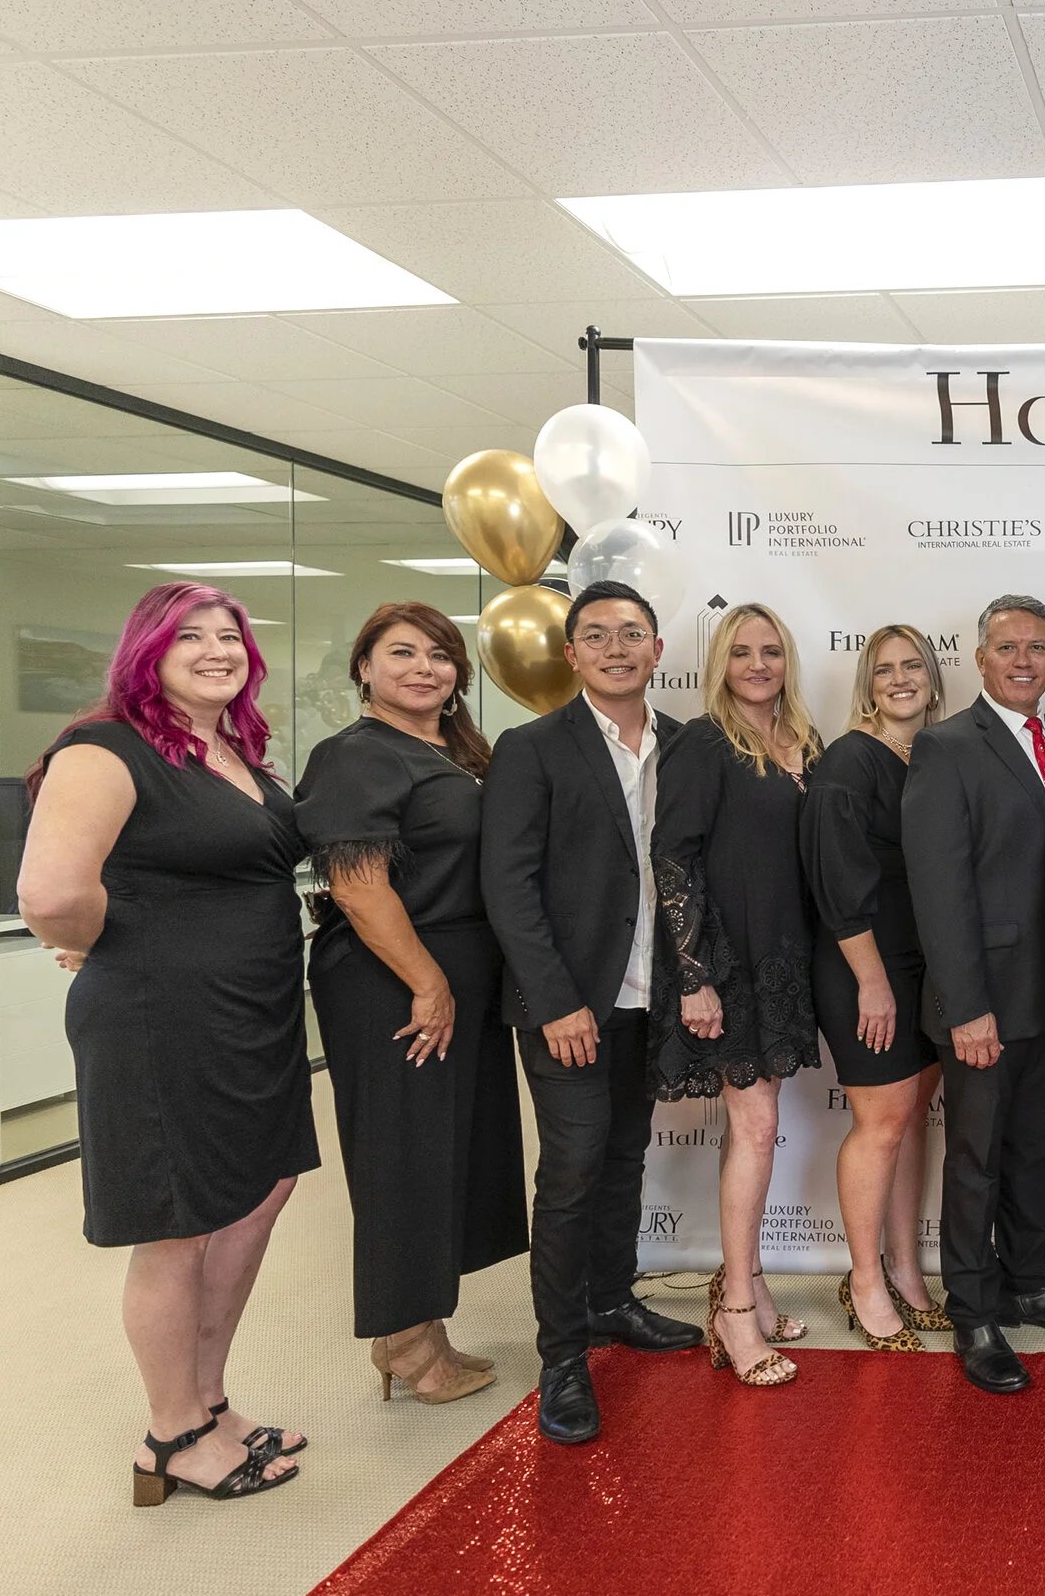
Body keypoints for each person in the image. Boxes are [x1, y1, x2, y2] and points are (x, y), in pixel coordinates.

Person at [18, 581, 314, 1505]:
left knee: (259, 1191)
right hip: (162, 1017)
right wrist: (119, 940)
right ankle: (172, 1431)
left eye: (230, 636)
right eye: (191, 636)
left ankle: (210, 1399)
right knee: (179, 1223)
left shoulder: (234, 750)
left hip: (254, 1012)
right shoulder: (105, 747)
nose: (217, 649)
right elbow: (50, 894)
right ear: (147, 651)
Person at [481, 580, 703, 1448]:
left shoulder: (684, 747)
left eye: (634, 634)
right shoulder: (531, 748)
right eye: (598, 635)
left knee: (622, 1156)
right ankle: (562, 1357)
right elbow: (510, 886)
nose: (618, 648)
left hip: (657, 999)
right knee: (571, 1171)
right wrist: (555, 1001)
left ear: (657, 651)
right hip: (571, 1005)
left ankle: (612, 1302)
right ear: (571, 655)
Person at [297, 604, 525, 1408]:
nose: (424, 668)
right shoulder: (353, 756)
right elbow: (359, 886)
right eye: (401, 653)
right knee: (403, 1153)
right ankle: (406, 1344)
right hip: (393, 977)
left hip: (460, 968)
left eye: (440, 655)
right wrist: (428, 983)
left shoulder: (455, 752)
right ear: (363, 668)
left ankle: (421, 1327)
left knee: (445, 1149)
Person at [903, 595, 1045, 1395]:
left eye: (1037, 648)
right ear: (979, 660)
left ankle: (1027, 1282)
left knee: (1033, 1149)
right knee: (977, 1159)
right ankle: (975, 1310)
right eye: (1006, 648)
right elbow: (940, 889)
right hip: (981, 1002)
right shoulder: (946, 747)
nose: (1023, 661)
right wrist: (965, 1007)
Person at [653, 603, 825, 1386]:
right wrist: (696, 978)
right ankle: (731, 1317)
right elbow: (674, 859)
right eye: (743, 651)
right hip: (730, 967)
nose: (758, 663)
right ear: (721, 660)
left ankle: (747, 1286)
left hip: (791, 962)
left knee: (755, 1128)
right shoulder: (703, 743)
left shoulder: (804, 742)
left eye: (771, 651)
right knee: (755, 1128)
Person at [803, 625, 952, 1352]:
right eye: (885, 669)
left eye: (913, 666)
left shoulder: (929, 752)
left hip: (923, 964)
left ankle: (908, 1271)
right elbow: (835, 886)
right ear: (868, 683)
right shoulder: (849, 759)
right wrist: (872, 983)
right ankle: (865, 1280)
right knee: (882, 1123)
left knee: (912, 1117)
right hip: (866, 967)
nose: (901, 679)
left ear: (932, 677)